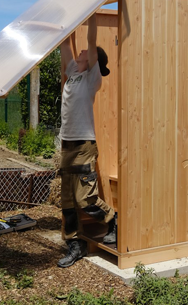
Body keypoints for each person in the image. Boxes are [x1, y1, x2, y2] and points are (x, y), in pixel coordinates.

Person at [57, 15, 116, 268]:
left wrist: (90, 12)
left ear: (92, 61)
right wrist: (59, 21)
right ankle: (74, 245)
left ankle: (112, 220)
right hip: (67, 145)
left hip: (84, 145)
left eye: (86, 52)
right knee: (68, 201)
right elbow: (63, 45)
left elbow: (91, 40)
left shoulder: (93, 78)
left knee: (85, 198)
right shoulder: (72, 72)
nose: (80, 50)